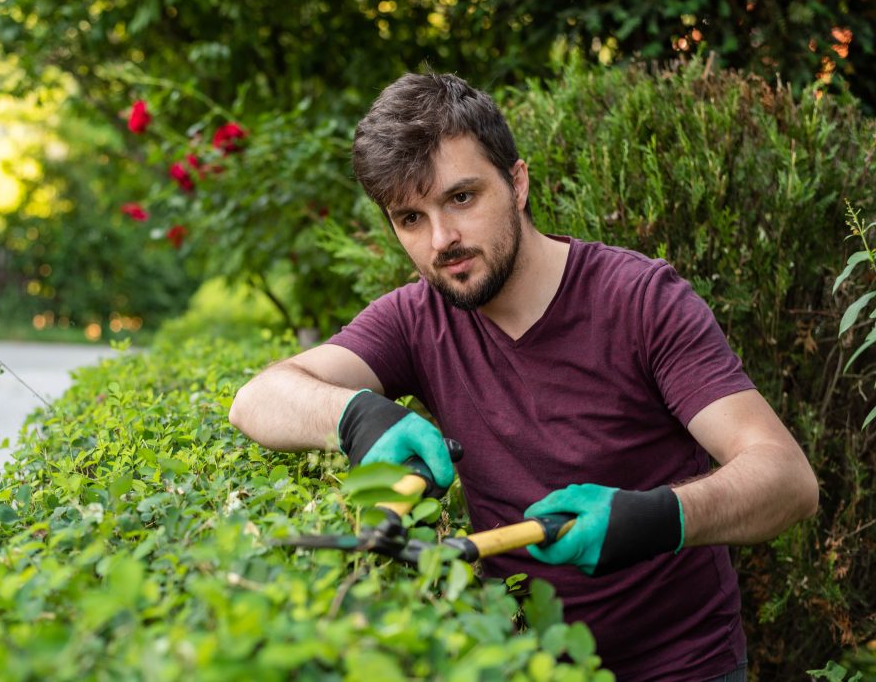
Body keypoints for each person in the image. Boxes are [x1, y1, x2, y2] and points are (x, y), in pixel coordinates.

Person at [228, 72, 818, 681]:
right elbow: (255, 400)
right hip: (520, 665)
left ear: (517, 182)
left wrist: (659, 517)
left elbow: (786, 478)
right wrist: (354, 417)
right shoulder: (415, 319)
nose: (441, 240)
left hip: (685, 665)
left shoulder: (643, 300)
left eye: (462, 198)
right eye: (410, 217)